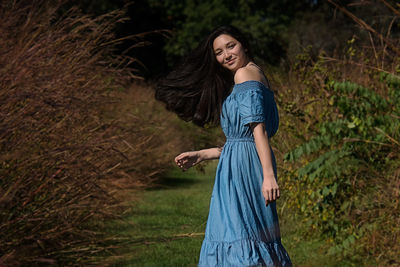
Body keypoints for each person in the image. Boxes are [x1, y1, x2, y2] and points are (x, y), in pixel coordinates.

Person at [155, 25, 292, 267]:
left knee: (239, 235)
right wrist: (202, 154)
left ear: (244, 45)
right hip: (244, 164)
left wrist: (269, 176)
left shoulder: (244, 75)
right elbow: (241, 142)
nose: (226, 55)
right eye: (219, 52)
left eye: (231, 46)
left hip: (246, 172)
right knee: (246, 234)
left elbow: (257, 129)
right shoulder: (256, 73)